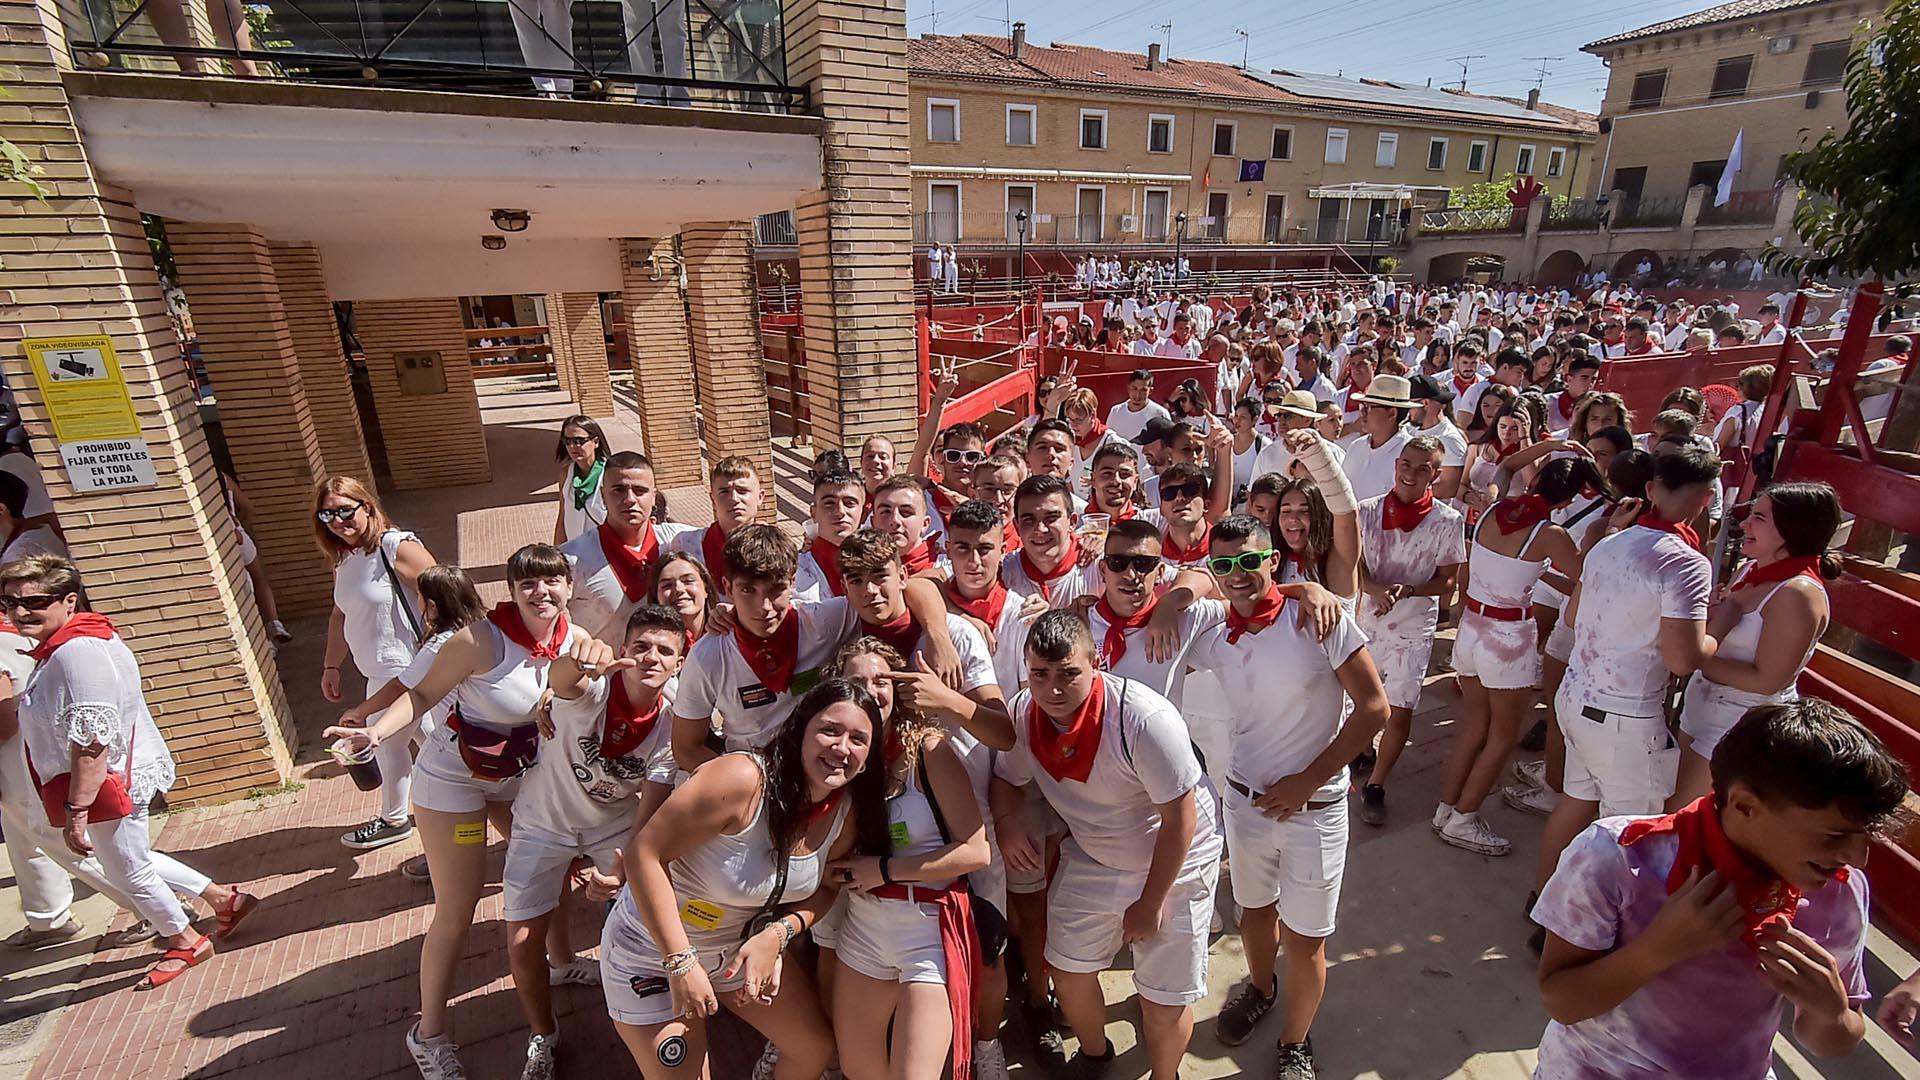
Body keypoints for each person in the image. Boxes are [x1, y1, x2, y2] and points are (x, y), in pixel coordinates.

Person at [1532, 699, 1905, 1078]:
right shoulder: (1618, 855)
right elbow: (1561, 1001)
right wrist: (1657, 950)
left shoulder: (1838, 889)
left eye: (1865, 837)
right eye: (1834, 836)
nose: (1857, 859)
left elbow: (1834, 1039)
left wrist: (1832, 1013)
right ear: (1744, 805)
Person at [325, 547, 587, 1077]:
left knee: (550, 867)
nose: (542, 592)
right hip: (455, 785)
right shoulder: (480, 640)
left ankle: (562, 964)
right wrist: (373, 732)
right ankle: (429, 1036)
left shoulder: (567, 637)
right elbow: (419, 694)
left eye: (552, 581)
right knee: (458, 908)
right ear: (510, 591)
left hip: (516, 777)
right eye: (528, 584)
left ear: (568, 585)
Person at [601, 679, 888, 1079]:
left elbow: (826, 886)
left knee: (813, 1049)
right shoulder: (742, 779)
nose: (842, 748)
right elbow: (644, 855)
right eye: (830, 730)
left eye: (859, 739)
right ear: (801, 727)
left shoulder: (845, 813)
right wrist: (681, 964)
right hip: (652, 952)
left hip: (734, 954)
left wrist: (778, 935)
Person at [1184, 516, 1387, 1079]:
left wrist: (1308, 780)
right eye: (1223, 566)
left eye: (1249, 560)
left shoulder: (1319, 619)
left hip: (1314, 812)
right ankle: (1260, 988)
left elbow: (1375, 708)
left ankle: (1295, 1042)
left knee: (1306, 941)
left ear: (1273, 559)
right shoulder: (1213, 634)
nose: (1237, 574)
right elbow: (1169, 591)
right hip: (1245, 804)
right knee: (1254, 912)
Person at [3, 554, 257, 990]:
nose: (20, 611)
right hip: (106, 778)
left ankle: (184, 939)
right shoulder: (67, 645)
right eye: (9, 602)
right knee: (125, 858)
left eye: (35, 601)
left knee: (125, 868)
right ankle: (223, 899)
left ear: (68, 600)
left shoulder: (77, 652)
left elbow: (93, 739)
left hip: (107, 780)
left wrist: (76, 810)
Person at [992, 611, 1223, 1080]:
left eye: (1068, 674)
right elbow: (1006, 780)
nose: (1053, 690)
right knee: (1067, 967)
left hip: (1175, 858)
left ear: (1095, 662)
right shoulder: (1024, 712)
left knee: (1163, 997)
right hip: (1099, 852)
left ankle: (1165, 1075)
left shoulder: (1143, 718)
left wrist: (1150, 902)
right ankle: (1096, 1054)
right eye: (1040, 674)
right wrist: (1007, 823)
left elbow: (1181, 818)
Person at [1533, 446, 1722, 936]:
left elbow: (1573, 617)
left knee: (1575, 804)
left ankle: (1543, 904)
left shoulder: (1609, 544)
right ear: (1703, 500)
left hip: (1578, 694)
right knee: (1630, 834)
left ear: (1653, 491)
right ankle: (1592, 933)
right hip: (1624, 714)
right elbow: (1684, 658)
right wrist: (1717, 631)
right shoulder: (1686, 563)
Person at [507, 605, 688, 1078]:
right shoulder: (595, 692)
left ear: (679, 664)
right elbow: (565, 680)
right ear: (624, 651)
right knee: (524, 943)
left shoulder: (672, 726)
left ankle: (653, 1016)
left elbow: (648, 813)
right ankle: (542, 1036)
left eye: (665, 651)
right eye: (641, 646)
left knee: (648, 908)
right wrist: (575, 662)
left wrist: (620, 869)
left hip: (613, 825)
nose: (652, 657)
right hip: (544, 820)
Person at [824, 639, 994, 1080]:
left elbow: (976, 851)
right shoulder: (836, 759)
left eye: (881, 680)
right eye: (857, 681)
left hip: (927, 933)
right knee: (861, 1072)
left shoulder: (930, 751)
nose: (871, 690)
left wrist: (884, 870)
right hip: (862, 929)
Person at [1438, 459, 1598, 856]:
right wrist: (1597, 534)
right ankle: (1464, 817)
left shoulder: (1496, 508)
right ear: (1570, 498)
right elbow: (1589, 577)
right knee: (1503, 736)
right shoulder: (1551, 533)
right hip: (1508, 639)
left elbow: (1507, 466)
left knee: (1475, 727)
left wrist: (1555, 445)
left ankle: (1447, 808)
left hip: (1471, 629)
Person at [1673, 483, 1837, 805]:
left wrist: (1692, 655)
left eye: (1759, 518)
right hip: (1702, 706)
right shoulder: (1753, 568)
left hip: (1740, 723)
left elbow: (1767, 681)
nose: (1745, 524)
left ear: (1793, 528)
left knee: (1679, 813)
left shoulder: (1797, 594)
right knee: (1675, 805)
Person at [0, 608, 141, 949]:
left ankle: (153, 905)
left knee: (62, 841)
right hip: (26, 755)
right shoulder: (15, 630)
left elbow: (5, 721)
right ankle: (48, 915)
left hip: (19, 760)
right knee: (23, 839)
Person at [316, 475, 437, 852]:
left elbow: (445, 592)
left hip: (409, 667)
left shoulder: (394, 546)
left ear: (366, 507)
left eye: (345, 511)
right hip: (377, 670)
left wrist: (444, 648)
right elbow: (341, 616)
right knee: (435, 743)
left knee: (388, 743)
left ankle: (395, 819)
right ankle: (467, 804)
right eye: (328, 514)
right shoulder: (345, 559)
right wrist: (331, 666)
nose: (338, 521)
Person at [1354, 438, 1465, 826]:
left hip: (1413, 627)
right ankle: (1363, 749)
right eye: (1407, 463)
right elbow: (1352, 563)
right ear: (1396, 463)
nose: (1411, 473)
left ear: (1436, 474)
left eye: (1424, 468)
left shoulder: (1448, 521)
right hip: (1366, 619)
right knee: (1361, 697)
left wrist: (1411, 589)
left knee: (1399, 707)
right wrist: (1373, 589)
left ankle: (1378, 785)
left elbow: (1448, 580)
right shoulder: (1366, 512)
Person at [560, 451, 697, 644]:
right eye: (619, 490)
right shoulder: (571, 558)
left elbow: (731, 539)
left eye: (640, 491)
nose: (630, 499)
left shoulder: (678, 542)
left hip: (668, 670)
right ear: (602, 496)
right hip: (602, 673)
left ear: (653, 496)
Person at [667, 456, 765, 579]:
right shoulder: (686, 544)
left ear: (760, 497)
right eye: (724, 492)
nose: (734, 499)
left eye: (742, 491)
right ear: (713, 499)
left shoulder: (777, 547)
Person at [1338, 374, 1414, 503]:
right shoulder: (1356, 446)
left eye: (1368, 407)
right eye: (1362, 406)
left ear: (1392, 413)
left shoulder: (1410, 454)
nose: (1362, 413)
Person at [794, 468, 866, 602]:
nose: (840, 512)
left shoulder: (880, 567)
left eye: (850, 503)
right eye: (829, 503)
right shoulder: (793, 570)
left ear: (862, 511)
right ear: (813, 512)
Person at [552, 416, 610, 545]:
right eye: (567, 441)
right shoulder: (566, 474)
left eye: (579, 441)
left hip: (606, 554)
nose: (573, 446)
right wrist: (557, 552)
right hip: (575, 553)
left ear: (595, 442)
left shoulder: (610, 474)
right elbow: (562, 517)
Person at [652, 550, 716, 644]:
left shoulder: (729, 633)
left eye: (688, 581)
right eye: (667, 585)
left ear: (706, 589)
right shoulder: (652, 647)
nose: (679, 589)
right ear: (656, 596)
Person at [1105, 369, 1171, 442]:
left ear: (1150, 391)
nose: (1138, 395)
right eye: (1134, 389)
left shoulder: (1160, 414)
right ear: (1128, 388)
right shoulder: (1115, 411)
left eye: (1143, 390)